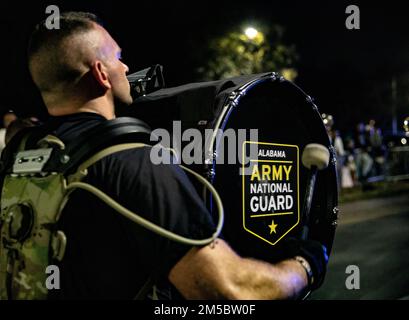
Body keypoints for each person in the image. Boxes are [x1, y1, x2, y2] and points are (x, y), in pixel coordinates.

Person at [2, 12, 327, 300]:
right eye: (118, 58)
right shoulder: (134, 162)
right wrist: (303, 267)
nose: (126, 67)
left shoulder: (18, 159)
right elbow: (228, 289)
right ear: (101, 73)